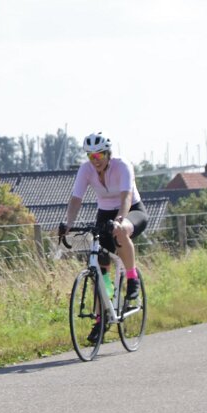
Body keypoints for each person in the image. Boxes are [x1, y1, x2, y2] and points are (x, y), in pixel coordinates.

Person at [58, 132, 148, 344]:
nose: (95, 160)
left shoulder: (122, 166)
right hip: (105, 213)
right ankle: (101, 318)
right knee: (99, 261)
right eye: (91, 156)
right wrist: (68, 223)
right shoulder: (85, 170)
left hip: (131, 210)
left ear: (108, 154)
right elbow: (76, 199)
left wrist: (120, 220)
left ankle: (132, 278)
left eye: (99, 155)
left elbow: (126, 197)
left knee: (121, 231)